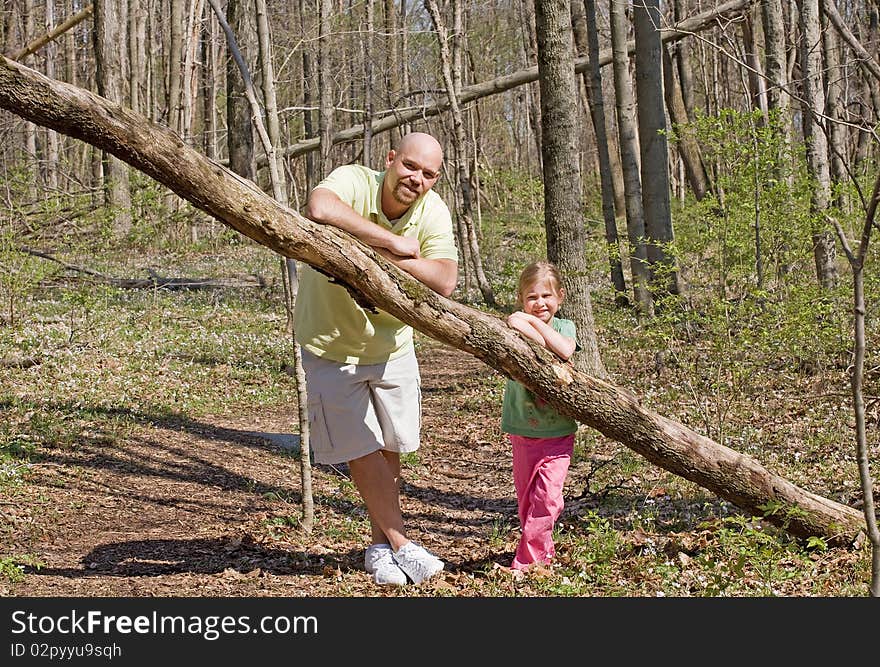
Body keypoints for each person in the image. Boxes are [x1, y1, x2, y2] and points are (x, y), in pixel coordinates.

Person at [293, 132, 458, 586]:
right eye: (409, 166)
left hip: (391, 348)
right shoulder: (354, 180)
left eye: (427, 174)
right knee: (360, 448)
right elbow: (320, 208)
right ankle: (404, 544)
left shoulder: (433, 209)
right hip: (330, 345)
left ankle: (380, 548)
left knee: (390, 448)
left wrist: (381, 257)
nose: (416, 179)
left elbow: (444, 279)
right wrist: (394, 241)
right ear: (390, 159)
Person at [501, 260, 579, 572]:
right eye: (532, 297)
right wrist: (525, 322)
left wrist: (535, 326)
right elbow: (515, 323)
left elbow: (564, 350)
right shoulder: (515, 322)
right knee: (527, 500)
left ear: (560, 297)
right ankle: (542, 553)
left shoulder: (566, 326)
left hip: (558, 430)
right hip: (522, 426)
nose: (540, 303)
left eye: (547, 296)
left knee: (548, 499)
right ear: (521, 299)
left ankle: (527, 561)